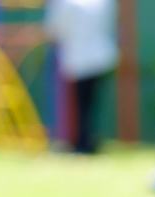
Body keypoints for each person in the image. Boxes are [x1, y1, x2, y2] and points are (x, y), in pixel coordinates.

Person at [44, 0, 117, 155]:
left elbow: (54, 30)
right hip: (101, 56)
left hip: (80, 58)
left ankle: (82, 143)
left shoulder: (64, 4)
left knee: (82, 105)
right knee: (90, 105)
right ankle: (86, 141)